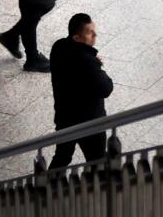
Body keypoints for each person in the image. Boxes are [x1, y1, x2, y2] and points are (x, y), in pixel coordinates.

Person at [48, 13, 115, 168]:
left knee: (62, 156)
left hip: (65, 115)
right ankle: (94, 187)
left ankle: (45, 188)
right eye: (89, 32)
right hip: (89, 122)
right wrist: (98, 66)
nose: (95, 35)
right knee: (97, 160)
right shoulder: (88, 62)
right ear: (76, 38)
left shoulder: (58, 46)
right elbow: (106, 88)